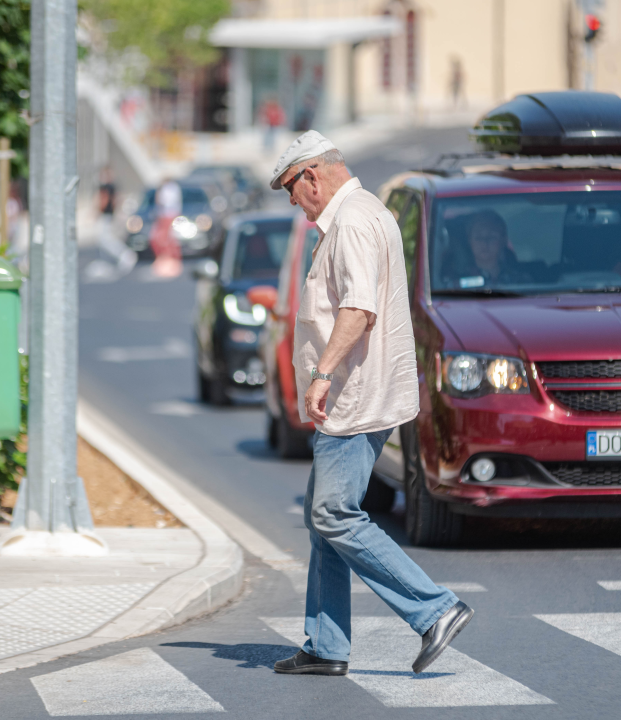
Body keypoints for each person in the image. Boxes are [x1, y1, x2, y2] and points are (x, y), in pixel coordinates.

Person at [269, 130, 473, 677]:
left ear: (312, 174)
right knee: (323, 517)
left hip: (350, 396)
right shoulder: (362, 213)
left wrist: (322, 375)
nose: (292, 201)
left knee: (334, 513)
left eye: (291, 188)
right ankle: (326, 644)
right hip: (359, 394)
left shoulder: (353, 221)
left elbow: (358, 311)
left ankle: (435, 609)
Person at [149, 178, 182, 278]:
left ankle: (169, 261)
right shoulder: (172, 188)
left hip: (167, 215)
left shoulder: (169, 188)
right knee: (163, 238)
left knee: (165, 239)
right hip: (166, 214)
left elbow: (162, 201)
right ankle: (167, 260)